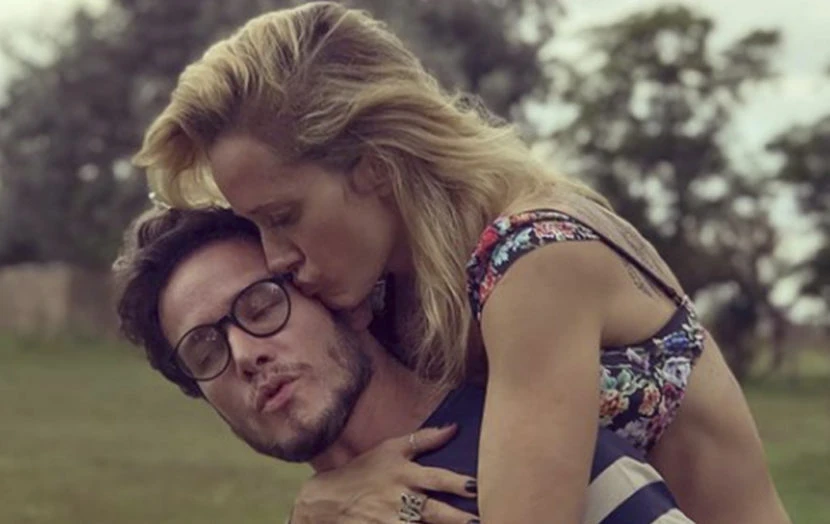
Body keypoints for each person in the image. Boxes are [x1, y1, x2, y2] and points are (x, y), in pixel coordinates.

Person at [133, 3, 790, 523]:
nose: (276, 256)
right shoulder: (395, 292)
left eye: (283, 217)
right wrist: (326, 497)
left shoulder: (536, 258)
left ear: (374, 167)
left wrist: (337, 504)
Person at [114, 206, 693, 524]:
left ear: (342, 300)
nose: (243, 355)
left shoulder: (546, 456)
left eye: (261, 306)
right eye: (205, 352)